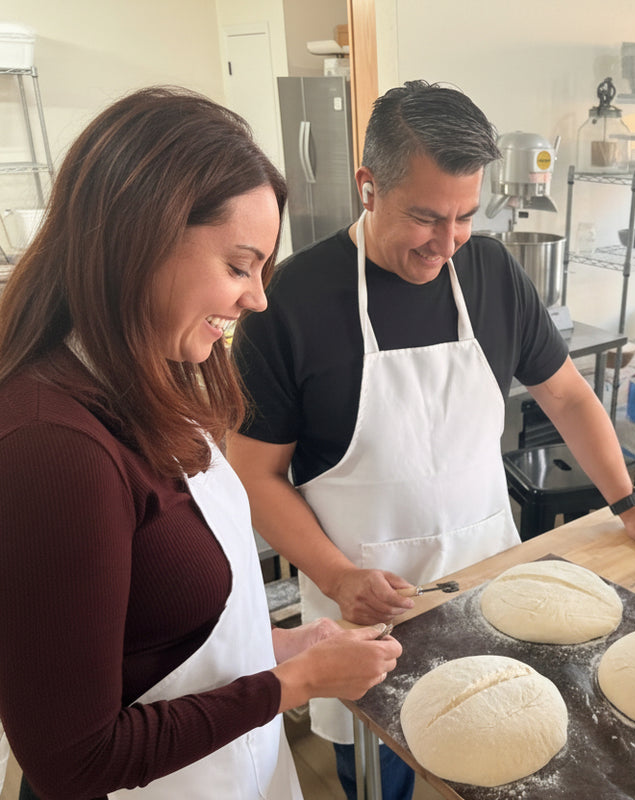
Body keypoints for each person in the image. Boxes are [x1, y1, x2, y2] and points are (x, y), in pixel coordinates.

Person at [227, 80, 635, 800]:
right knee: (381, 778)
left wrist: (627, 502)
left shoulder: (492, 272)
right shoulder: (289, 301)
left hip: (493, 592)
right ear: (369, 187)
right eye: (425, 217)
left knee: (504, 763)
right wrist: (338, 577)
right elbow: (255, 475)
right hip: (365, 612)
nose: (446, 244)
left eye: (466, 217)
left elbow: (567, 394)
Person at [0, 86, 403, 800]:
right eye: (239, 266)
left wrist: (283, 648)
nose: (258, 298)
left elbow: (158, 641)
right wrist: (293, 684)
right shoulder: (52, 448)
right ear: (138, 239)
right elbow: (73, 759)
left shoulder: (148, 376)